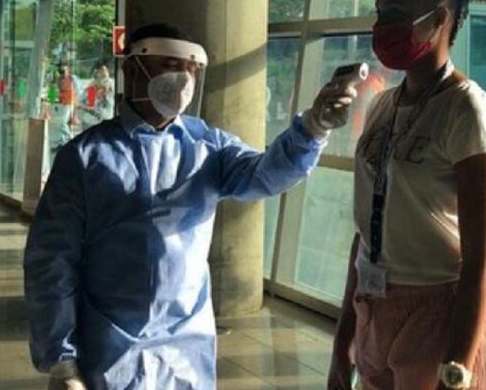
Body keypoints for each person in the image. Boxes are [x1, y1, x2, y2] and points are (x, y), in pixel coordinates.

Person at [24, 23, 356, 390]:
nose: (183, 80)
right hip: (108, 349)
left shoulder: (206, 146)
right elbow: (51, 259)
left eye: (192, 70)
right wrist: (62, 361)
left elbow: (264, 175)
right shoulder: (87, 156)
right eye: (170, 65)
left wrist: (313, 128)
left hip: (185, 351)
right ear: (132, 69)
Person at [328, 0, 486, 390]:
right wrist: (342, 343)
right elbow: (366, 233)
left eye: (395, 14)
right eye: (380, 13)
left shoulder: (467, 110)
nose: (381, 26)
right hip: (376, 309)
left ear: (441, 19)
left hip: (441, 317)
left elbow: (481, 259)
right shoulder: (384, 106)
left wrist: (457, 368)